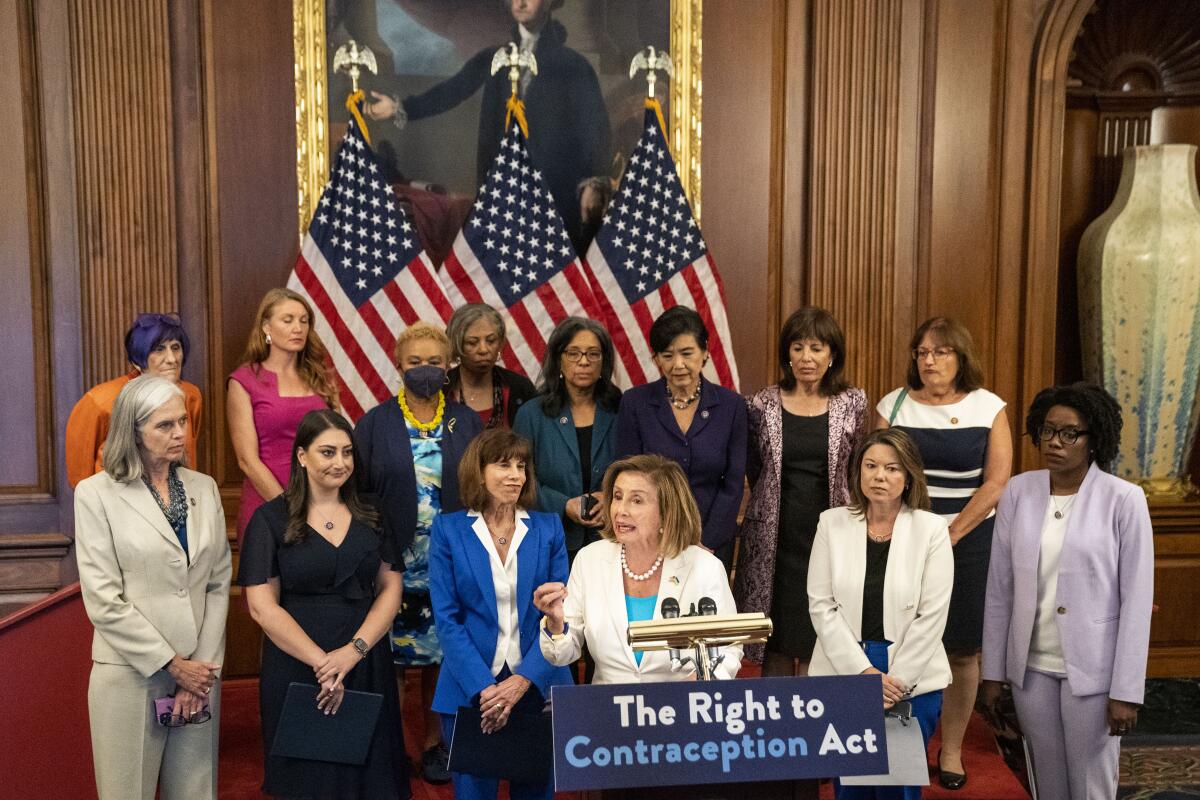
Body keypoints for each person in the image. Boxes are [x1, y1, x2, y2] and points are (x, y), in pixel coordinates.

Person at [981, 384, 1153, 800]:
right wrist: (993, 672)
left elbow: (1136, 601)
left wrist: (1126, 691)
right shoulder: (1020, 492)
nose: (1055, 442)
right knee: (1048, 783)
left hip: (1094, 674)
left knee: (1091, 785)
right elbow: (1000, 588)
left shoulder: (1124, 500)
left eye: (1069, 433)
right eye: (1047, 431)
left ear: (1095, 441)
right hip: (1031, 669)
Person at [74, 375, 231, 799]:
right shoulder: (96, 495)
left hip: (199, 677)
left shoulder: (205, 488)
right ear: (134, 430)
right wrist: (172, 664)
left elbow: (218, 583)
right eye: (164, 425)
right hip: (130, 675)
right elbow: (105, 601)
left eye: (182, 421)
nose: (180, 432)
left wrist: (199, 669)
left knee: (196, 792)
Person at [239, 409, 408, 798]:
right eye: (327, 452)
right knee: (309, 781)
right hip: (299, 666)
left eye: (347, 453)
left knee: (371, 781)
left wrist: (353, 652)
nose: (340, 463)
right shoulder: (270, 519)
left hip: (365, 662)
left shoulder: (374, 513)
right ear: (302, 456)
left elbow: (390, 588)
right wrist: (323, 663)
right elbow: (262, 608)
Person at [874, 316, 1011, 789]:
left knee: (961, 648)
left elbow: (995, 483)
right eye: (922, 353)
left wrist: (949, 535)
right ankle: (900, 742)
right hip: (901, 538)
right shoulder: (893, 406)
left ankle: (950, 748)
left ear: (961, 357)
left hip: (967, 540)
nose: (929, 361)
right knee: (897, 638)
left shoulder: (987, 406)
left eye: (941, 352)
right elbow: (878, 470)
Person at [364, 0, 611, 246]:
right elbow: (451, 91)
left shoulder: (573, 66)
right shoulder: (495, 59)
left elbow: (593, 129)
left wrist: (592, 183)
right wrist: (399, 107)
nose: (521, 3)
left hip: (553, 195)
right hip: (502, 195)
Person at [354, 321, 483, 784]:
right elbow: (360, 494)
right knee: (388, 659)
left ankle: (434, 742)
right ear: (398, 365)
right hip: (391, 561)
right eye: (415, 362)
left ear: (448, 366)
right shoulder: (374, 423)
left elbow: (480, 488)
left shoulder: (467, 422)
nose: (424, 369)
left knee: (440, 656)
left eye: (433, 361)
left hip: (450, 560)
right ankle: (388, 746)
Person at [808, 428, 953, 800]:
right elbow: (821, 606)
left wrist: (896, 680)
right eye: (870, 466)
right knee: (851, 787)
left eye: (891, 468)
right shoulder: (831, 523)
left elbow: (932, 614)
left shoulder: (932, 529)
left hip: (908, 673)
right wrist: (863, 673)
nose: (879, 476)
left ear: (908, 477)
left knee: (898, 790)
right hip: (846, 667)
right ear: (858, 472)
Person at [428, 427, 573, 800]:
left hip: (539, 683)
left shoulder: (548, 528)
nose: (515, 475)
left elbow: (560, 615)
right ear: (478, 470)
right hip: (470, 686)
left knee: (537, 791)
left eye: (521, 466)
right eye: (503, 465)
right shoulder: (447, 530)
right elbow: (447, 620)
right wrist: (486, 690)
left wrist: (522, 681)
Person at [736, 307, 867, 686]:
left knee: (822, 632)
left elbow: (858, 463)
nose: (806, 357)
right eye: (798, 347)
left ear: (832, 355)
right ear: (786, 354)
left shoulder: (852, 402)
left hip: (832, 531)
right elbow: (755, 468)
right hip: (775, 537)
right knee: (775, 635)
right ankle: (779, 731)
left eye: (816, 347)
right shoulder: (761, 404)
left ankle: (814, 725)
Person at [534, 453, 742, 684]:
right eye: (617, 496)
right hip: (609, 710)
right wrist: (555, 623)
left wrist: (703, 681)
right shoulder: (589, 560)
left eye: (637, 500)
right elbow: (562, 654)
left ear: (667, 511)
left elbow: (729, 648)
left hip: (680, 709)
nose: (620, 510)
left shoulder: (705, 567)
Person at [616, 306, 747, 571]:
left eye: (687, 353)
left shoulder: (732, 406)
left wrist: (706, 542)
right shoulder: (634, 403)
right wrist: (653, 534)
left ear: (705, 352)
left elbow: (733, 484)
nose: (678, 365)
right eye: (667, 355)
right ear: (656, 360)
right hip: (649, 538)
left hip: (712, 541)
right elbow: (625, 474)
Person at [228, 288, 337, 545]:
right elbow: (247, 460)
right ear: (266, 326)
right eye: (287, 320)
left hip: (322, 500)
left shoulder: (321, 378)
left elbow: (336, 441)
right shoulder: (244, 380)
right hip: (267, 503)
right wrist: (293, 509)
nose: (298, 328)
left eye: (304, 320)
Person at [513, 316, 621, 563]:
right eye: (573, 353)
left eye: (593, 354)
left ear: (604, 361)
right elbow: (520, 479)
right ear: (558, 360)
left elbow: (637, 469)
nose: (584, 362)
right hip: (550, 542)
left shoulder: (621, 409)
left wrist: (612, 496)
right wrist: (564, 505)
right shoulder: (532, 414)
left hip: (611, 541)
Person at [66, 313, 203, 488]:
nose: (172, 359)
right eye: (159, 349)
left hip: (175, 499)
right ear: (137, 359)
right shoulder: (100, 401)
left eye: (176, 348)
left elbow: (187, 453)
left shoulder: (191, 396)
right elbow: (80, 477)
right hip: (117, 504)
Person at [445, 303, 536, 429]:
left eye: (491, 341)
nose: (483, 349)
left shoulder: (520, 389)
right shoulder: (441, 389)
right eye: (472, 342)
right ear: (456, 345)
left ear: (500, 343)